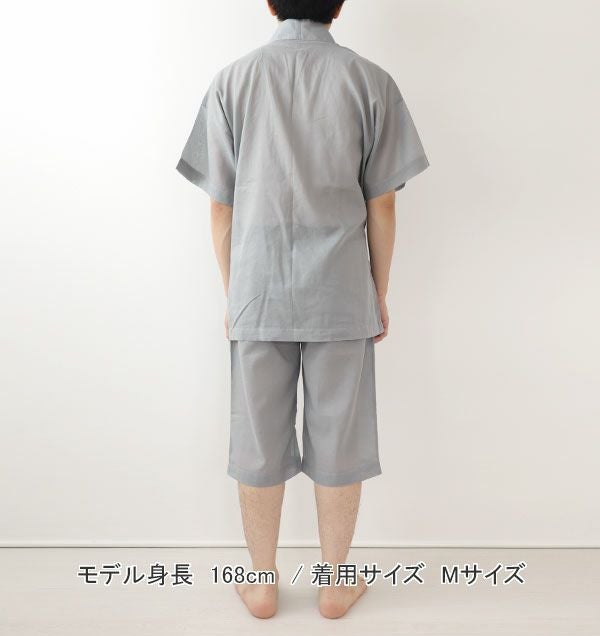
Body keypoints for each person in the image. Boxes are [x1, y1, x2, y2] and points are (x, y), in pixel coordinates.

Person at [175, 0, 429, 620]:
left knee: (257, 436)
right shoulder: (370, 81)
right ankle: (335, 584)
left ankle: (261, 583)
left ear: (271, 2)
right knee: (340, 435)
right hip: (341, 291)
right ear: (338, 4)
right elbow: (383, 203)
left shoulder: (233, 81)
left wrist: (236, 291)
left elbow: (220, 205)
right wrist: (378, 290)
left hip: (258, 291)